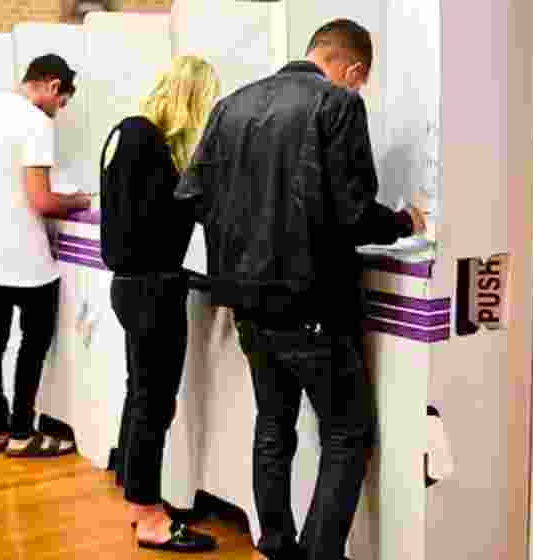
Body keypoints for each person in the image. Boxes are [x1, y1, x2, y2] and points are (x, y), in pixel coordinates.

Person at [176, 19, 426, 560]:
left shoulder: (232, 106)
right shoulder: (337, 104)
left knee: (273, 424)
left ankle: (275, 543)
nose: (358, 90)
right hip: (312, 301)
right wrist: (405, 221)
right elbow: (355, 213)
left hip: (246, 304)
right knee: (348, 432)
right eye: (361, 81)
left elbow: (193, 195)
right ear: (353, 68)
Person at [101, 56, 219, 553]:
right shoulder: (148, 141)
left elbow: (136, 217)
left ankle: (137, 497)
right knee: (154, 402)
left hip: (133, 286)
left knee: (140, 395)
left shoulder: (126, 133)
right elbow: (161, 218)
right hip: (153, 290)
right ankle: (149, 515)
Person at [0, 54, 90, 457]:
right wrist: (78, 199)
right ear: (53, 86)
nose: (59, 111)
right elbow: (41, 200)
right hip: (28, 257)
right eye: (63, 102)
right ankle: (23, 431)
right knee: (33, 343)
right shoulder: (35, 123)